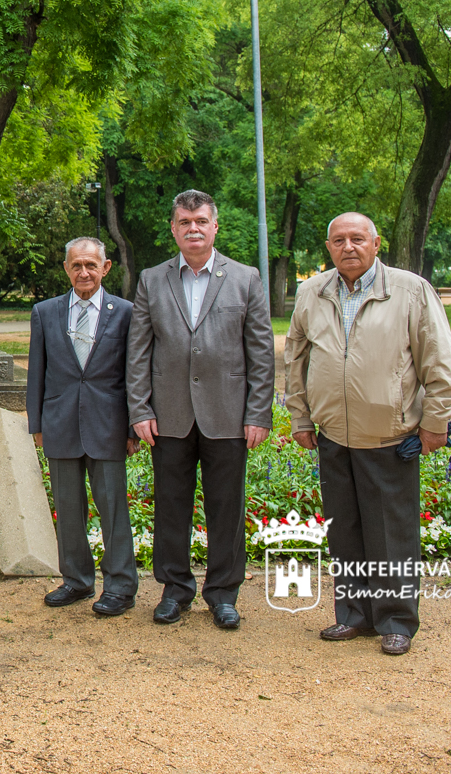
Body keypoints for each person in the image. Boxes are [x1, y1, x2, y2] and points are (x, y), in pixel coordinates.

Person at [285, 213, 451, 656]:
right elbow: (297, 361)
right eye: (339, 240)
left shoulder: (410, 290)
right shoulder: (312, 292)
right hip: (334, 435)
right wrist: (301, 418)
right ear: (328, 247)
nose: (349, 247)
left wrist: (436, 421)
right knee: (344, 530)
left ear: (376, 243)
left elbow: (438, 360)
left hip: (390, 437)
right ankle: (354, 615)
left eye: (357, 239)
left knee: (391, 533)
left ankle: (396, 619)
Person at [127, 189, 275, 629]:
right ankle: (175, 591)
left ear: (215, 227)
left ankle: (223, 594)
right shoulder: (152, 280)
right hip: (167, 413)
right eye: (184, 222)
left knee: (225, 508)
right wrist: (139, 408)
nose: (193, 229)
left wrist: (258, 413)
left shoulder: (245, 278)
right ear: (173, 229)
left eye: (201, 221)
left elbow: (261, 352)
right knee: (171, 505)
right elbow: (138, 352)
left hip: (228, 414)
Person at [27, 238, 139, 617]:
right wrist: (36, 424)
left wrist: (132, 429)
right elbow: (37, 373)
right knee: (68, 508)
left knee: (113, 507)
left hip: (108, 425)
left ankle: (121, 586)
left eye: (91, 265)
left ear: (105, 268)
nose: (84, 272)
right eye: (76, 265)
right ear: (66, 268)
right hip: (59, 424)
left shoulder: (125, 313)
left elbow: (133, 375)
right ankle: (76, 580)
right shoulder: (45, 312)